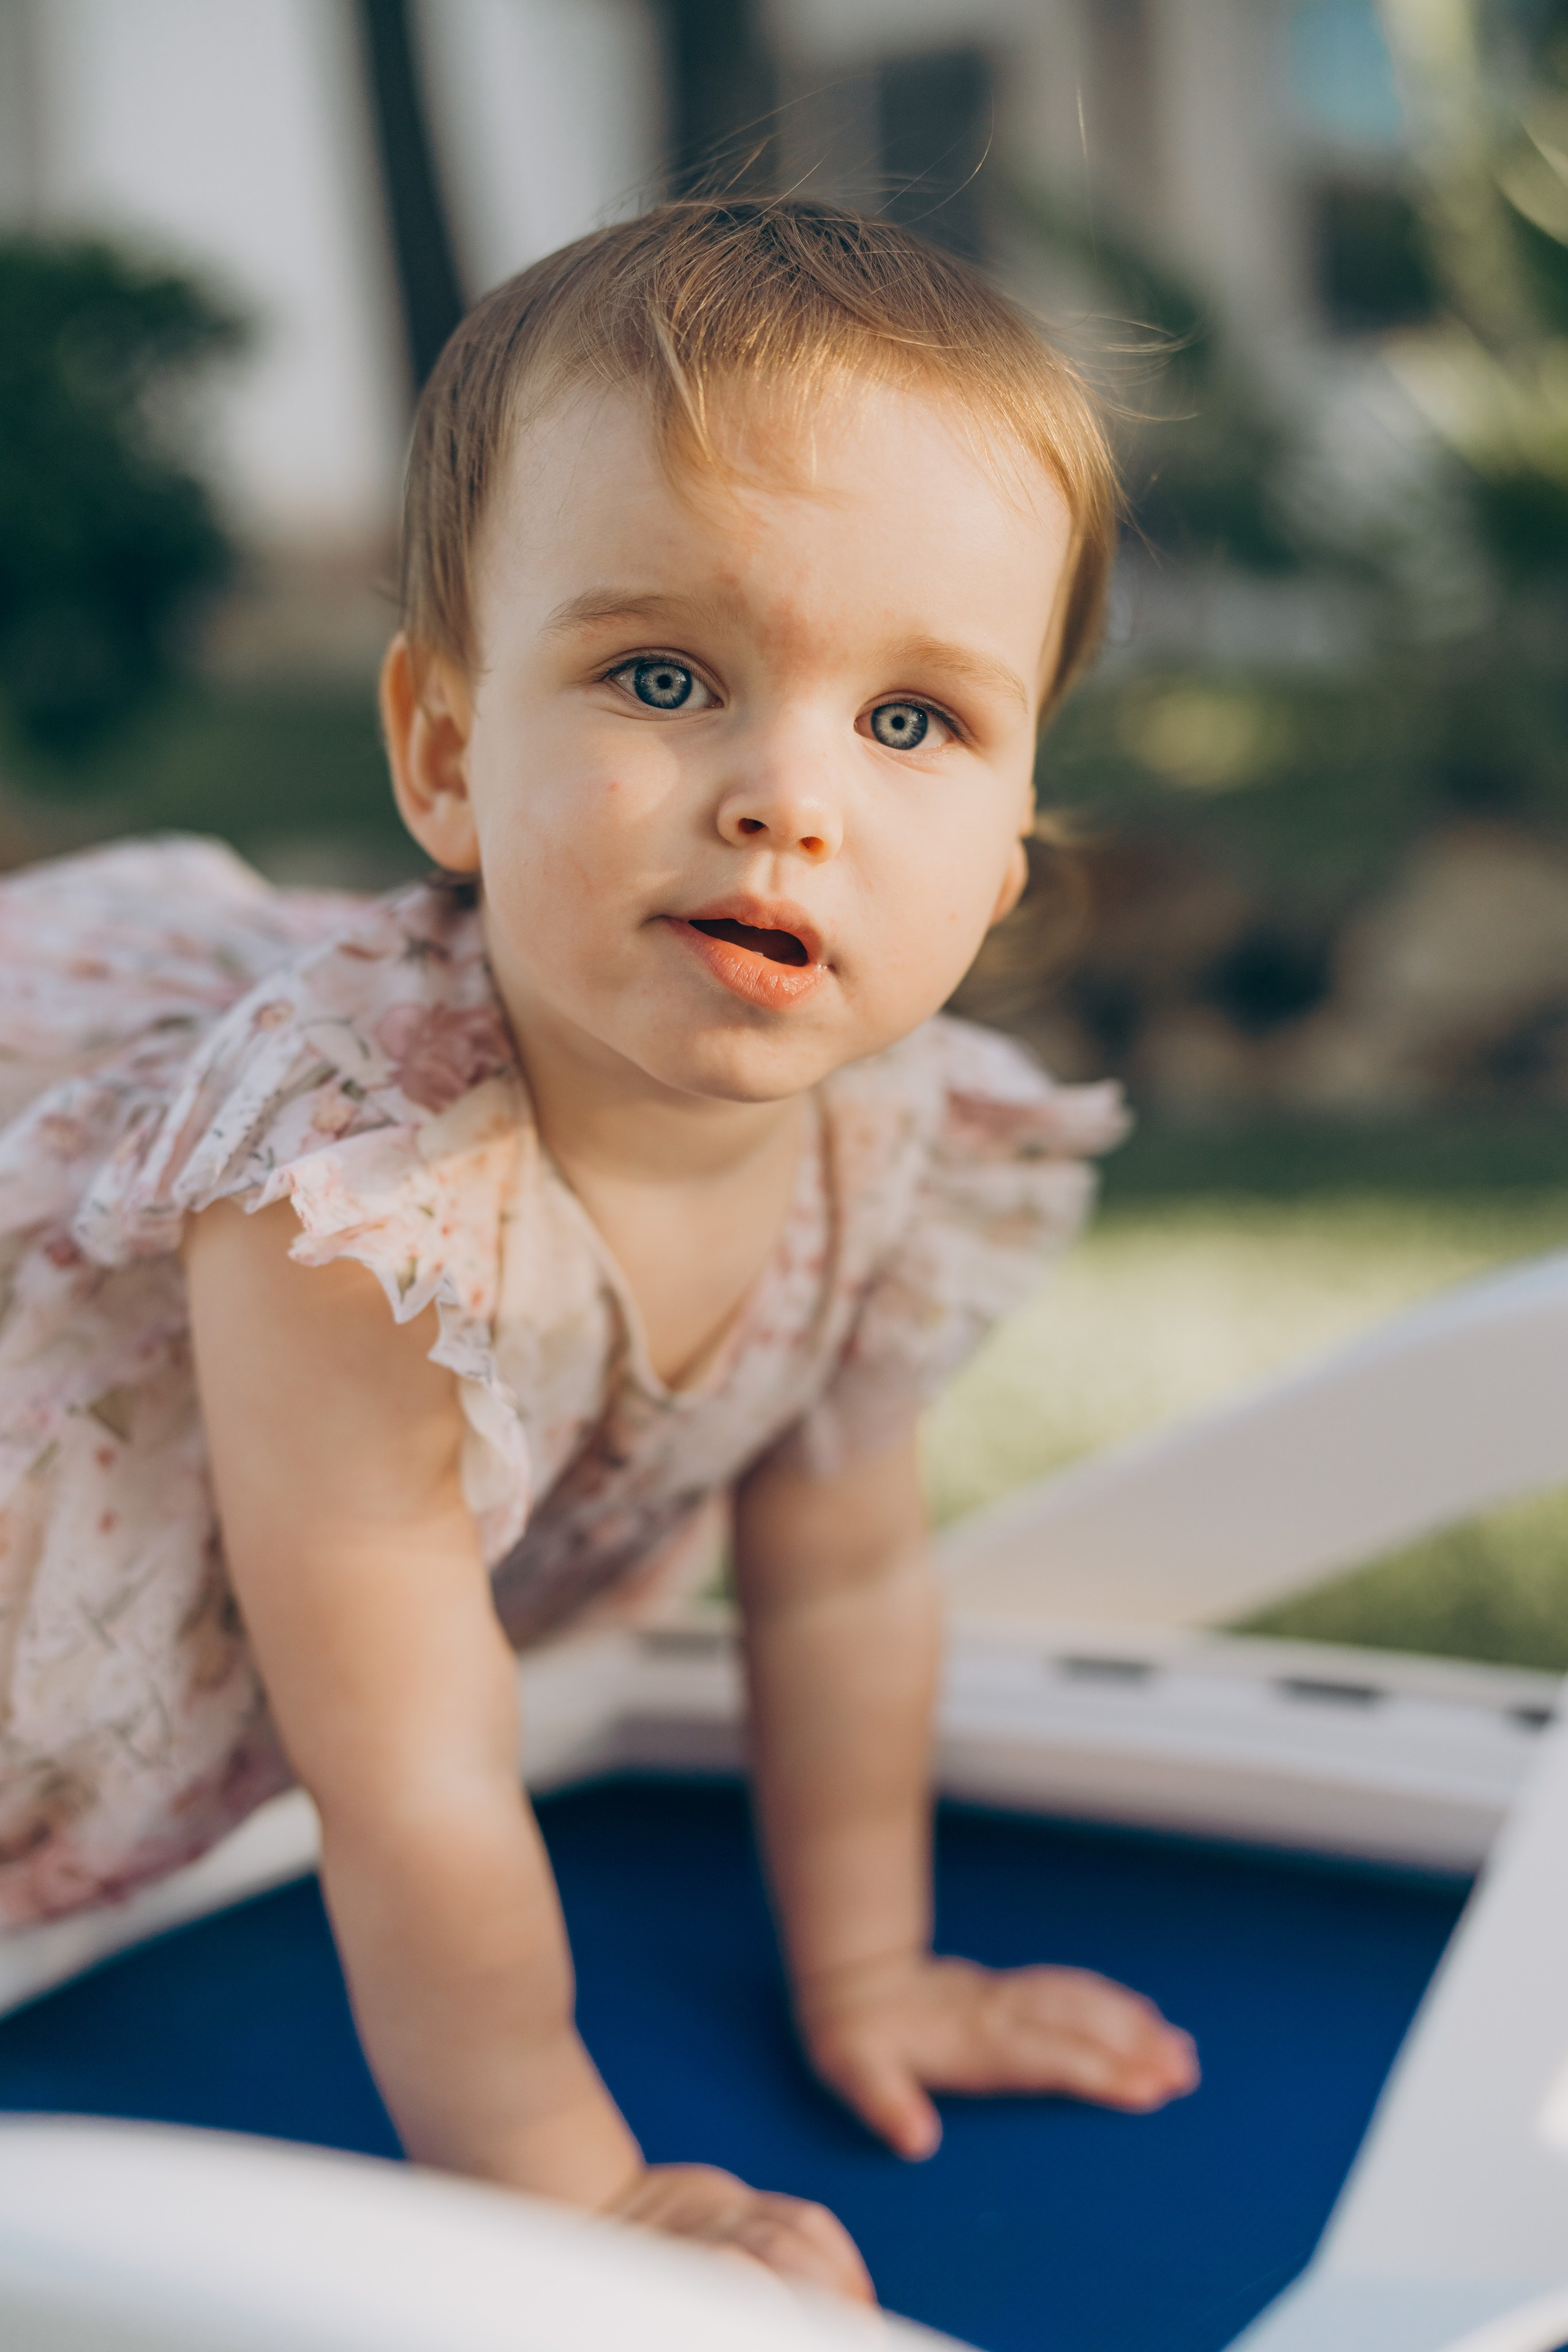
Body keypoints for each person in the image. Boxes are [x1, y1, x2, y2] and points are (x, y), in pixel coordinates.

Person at [0, 198, 1197, 2301]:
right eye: (665, 675)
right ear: (449, 753)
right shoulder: (352, 1193)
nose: (785, 797)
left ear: (1008, 852)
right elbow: (416, 1774)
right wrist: (572, 2207)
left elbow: (841, 1591)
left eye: (913, 721)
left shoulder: (889, 1148)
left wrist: (877, 1969)